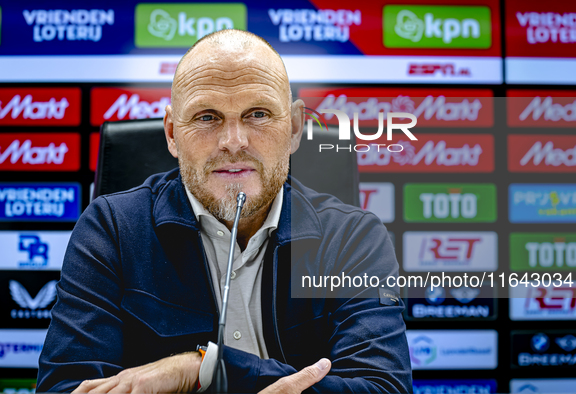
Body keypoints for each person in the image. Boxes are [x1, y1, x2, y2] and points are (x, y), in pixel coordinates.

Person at [37, 29, 412, 393]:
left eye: (259, 114)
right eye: (207, 117)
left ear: (296, 128)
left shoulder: (354, 237)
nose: (234, 142)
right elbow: (66, 388)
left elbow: (384, 387)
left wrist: (204, 369)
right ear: (171, 133)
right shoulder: (111, 229)